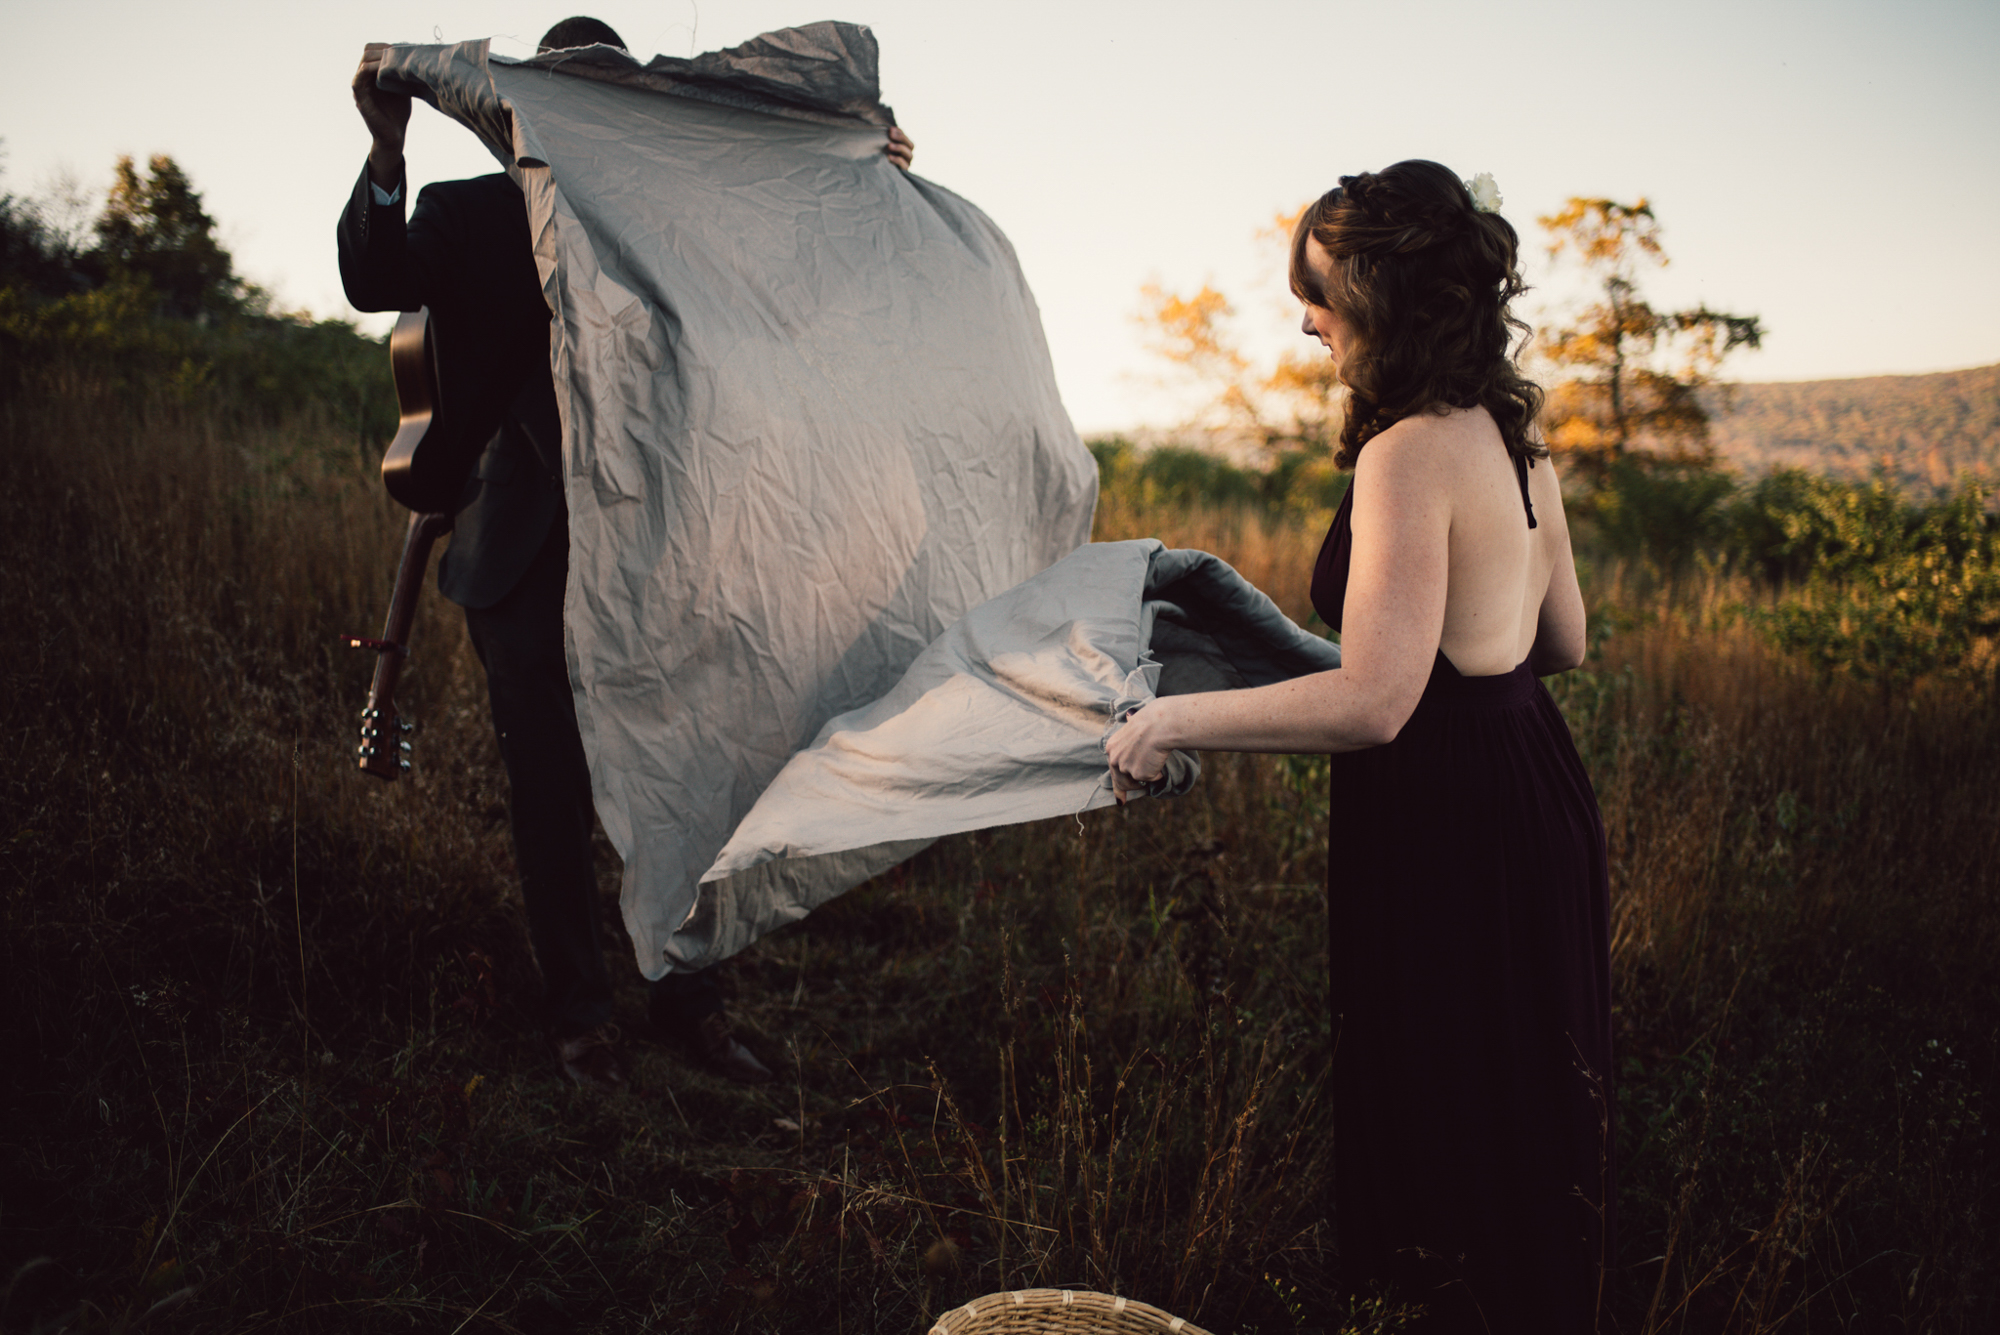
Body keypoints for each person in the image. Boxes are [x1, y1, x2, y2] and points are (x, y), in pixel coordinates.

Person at [338, 17, 915, 1093]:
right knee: (549, 791)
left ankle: (691, 1001)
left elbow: (807, 295)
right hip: (526, 562)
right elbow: (375, 282)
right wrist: (384, 151)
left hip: (672, 558)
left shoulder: (693, 228)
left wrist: (856, 180)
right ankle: (580, 1015)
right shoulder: (468, 214)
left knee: (689, 783)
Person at [1105, 160, 1612, 1332]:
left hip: (1447, 818)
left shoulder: (1406, 454)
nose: (1304, 316)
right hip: (1533, 785)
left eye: (1319, 289)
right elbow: (1565, 644)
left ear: (1383, 296)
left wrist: (1173, 717)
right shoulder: (1515, 441)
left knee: (1443, 1106)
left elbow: (1375, 704)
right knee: (1524, 1105)